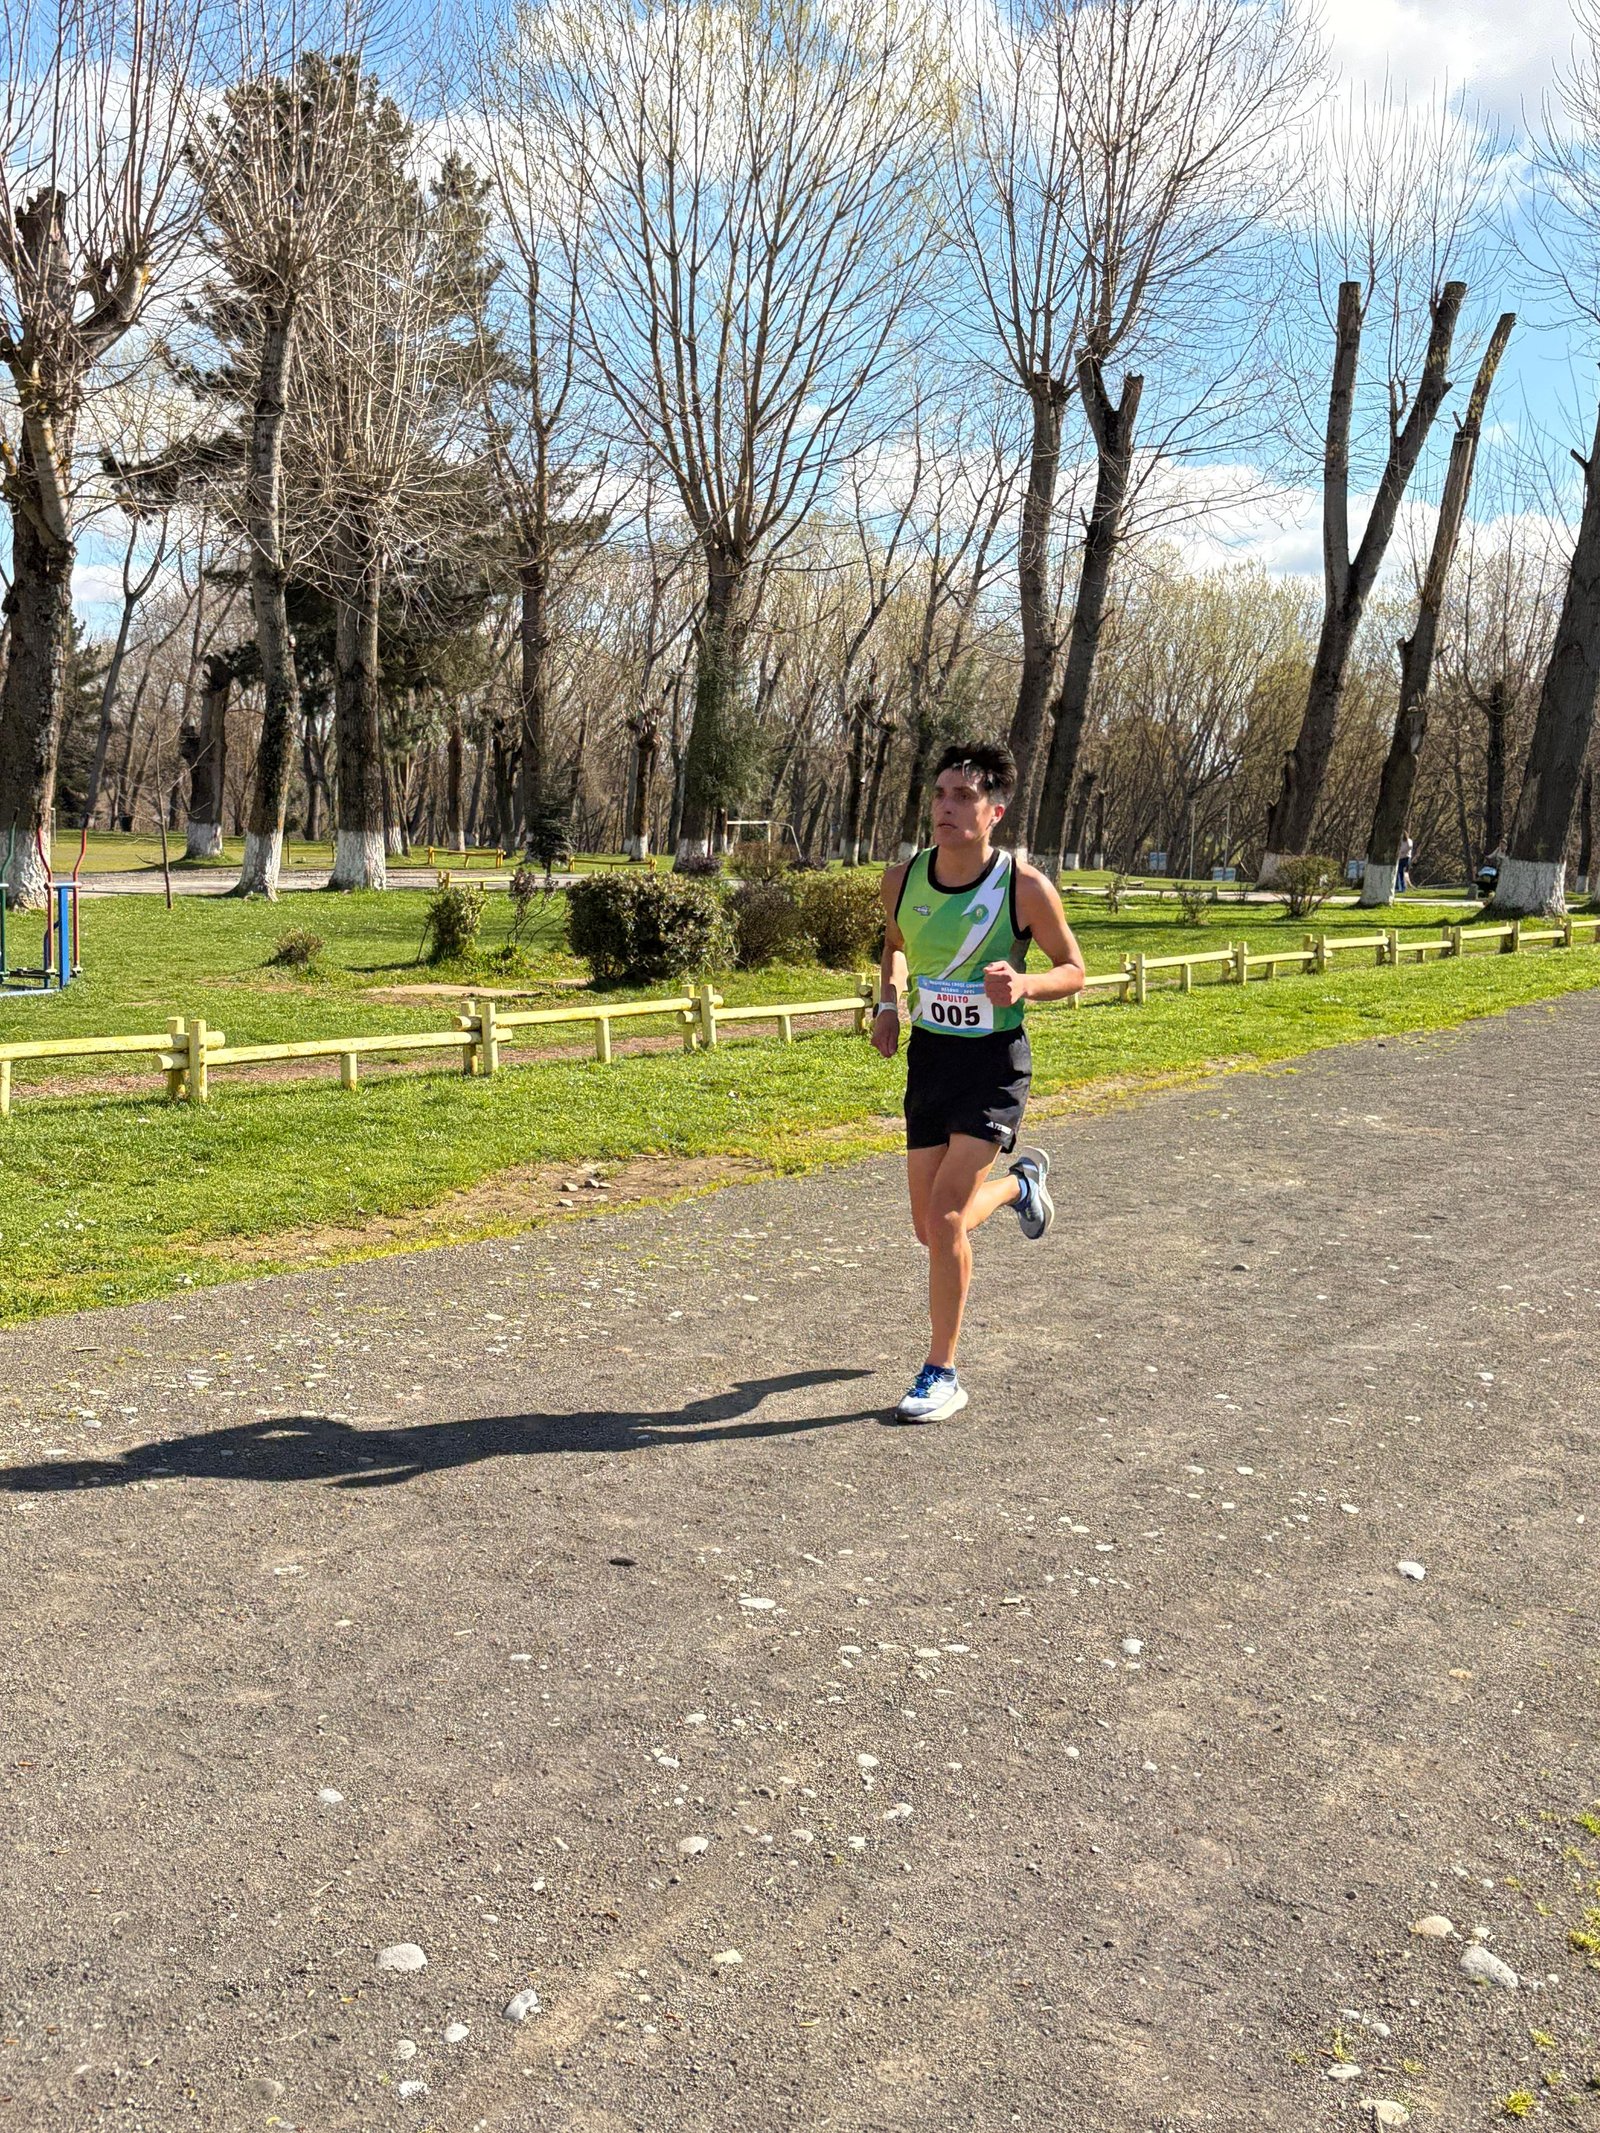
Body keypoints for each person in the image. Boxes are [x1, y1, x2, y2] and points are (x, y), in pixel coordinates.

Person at [871, 743, 1086, 1422]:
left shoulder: (1023, 887)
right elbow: (894, 946)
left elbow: (1074, 968)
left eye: (963, 796)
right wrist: (886, 1003)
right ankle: (1023, 1185)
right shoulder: (902, 879)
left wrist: (1024, 982)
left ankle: (941, 1372)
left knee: (945, 1218)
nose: (946, 807)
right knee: (927, 1229)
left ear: (995, 810)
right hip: (932, 1057)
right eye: (939, 794)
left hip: (994, 1062)